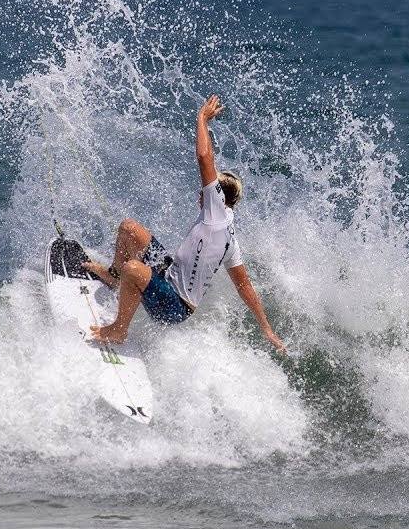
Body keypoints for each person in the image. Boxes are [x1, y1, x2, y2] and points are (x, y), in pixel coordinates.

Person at [82, 95, 287, 355]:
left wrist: (202, 119)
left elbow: (204, 157)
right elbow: (244, 286)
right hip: (167, 275)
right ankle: (114, 277)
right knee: (129, 228)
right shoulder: (227, 233)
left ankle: (119, 330)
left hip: (174, 306)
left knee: (134, 269)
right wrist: (267, 328)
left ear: (219, 196)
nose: (201, 191)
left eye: (207, 189)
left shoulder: (216, 213)